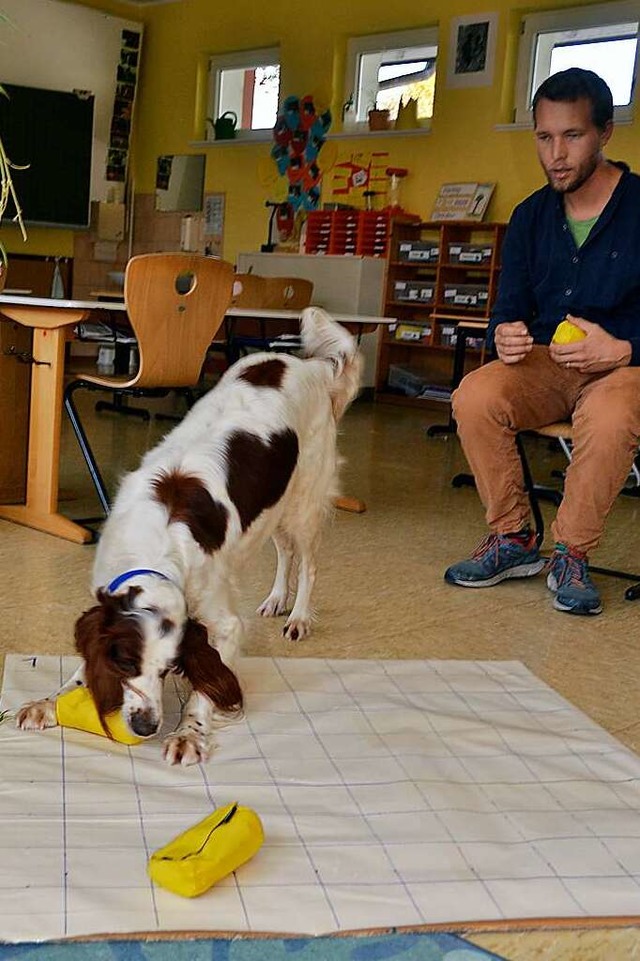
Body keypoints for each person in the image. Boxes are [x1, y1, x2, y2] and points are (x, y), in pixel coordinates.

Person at [444, 67, 640, 616]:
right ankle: (513, 539)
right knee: (475, 394)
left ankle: (571, 553)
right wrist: (504, 333)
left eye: (572, 136)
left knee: (610, 416)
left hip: (625, 366)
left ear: (605, 134)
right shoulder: (530, 216)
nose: (556, 153)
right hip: (549, 363)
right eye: (544, 137)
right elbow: (510, 310)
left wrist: (624, 348)